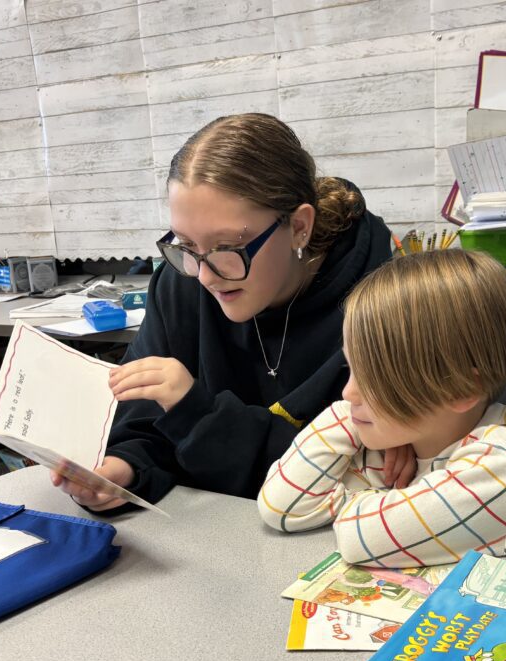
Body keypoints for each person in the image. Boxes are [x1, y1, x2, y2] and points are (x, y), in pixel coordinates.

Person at [52, 113, 393, 510]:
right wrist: (124, 470)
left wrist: (196, 414)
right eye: (186, 245)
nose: (205, 277)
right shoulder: (181, 284)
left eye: (227, 247)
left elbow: (351, 471)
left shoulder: (384, 304)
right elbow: (142, 424)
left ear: (299, 226)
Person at [257, 249, 506, 574]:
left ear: (462, 389)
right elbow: (280, 507)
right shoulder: (394, 436)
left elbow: (359, 537)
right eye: (350, 368)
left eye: (373, 376)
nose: (347, 391)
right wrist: (348, 419)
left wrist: (346, 498)